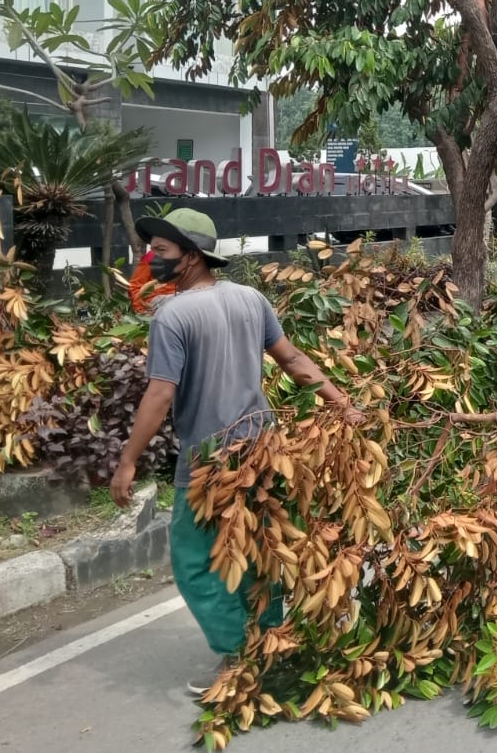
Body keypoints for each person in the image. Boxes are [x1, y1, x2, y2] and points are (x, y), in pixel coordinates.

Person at [109, 207, 363, 693]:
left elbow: (160, 395)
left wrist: (127, 461)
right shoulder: (250, 298)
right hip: (263, 451)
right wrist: (343, 405)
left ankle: (240, 655)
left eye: (160, 251)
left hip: (209, 462)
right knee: (256, 552)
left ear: (190, 255)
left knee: (193, 561)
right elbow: (293, 360)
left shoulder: (173, 315)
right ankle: (268, 647)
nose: (152, 259)